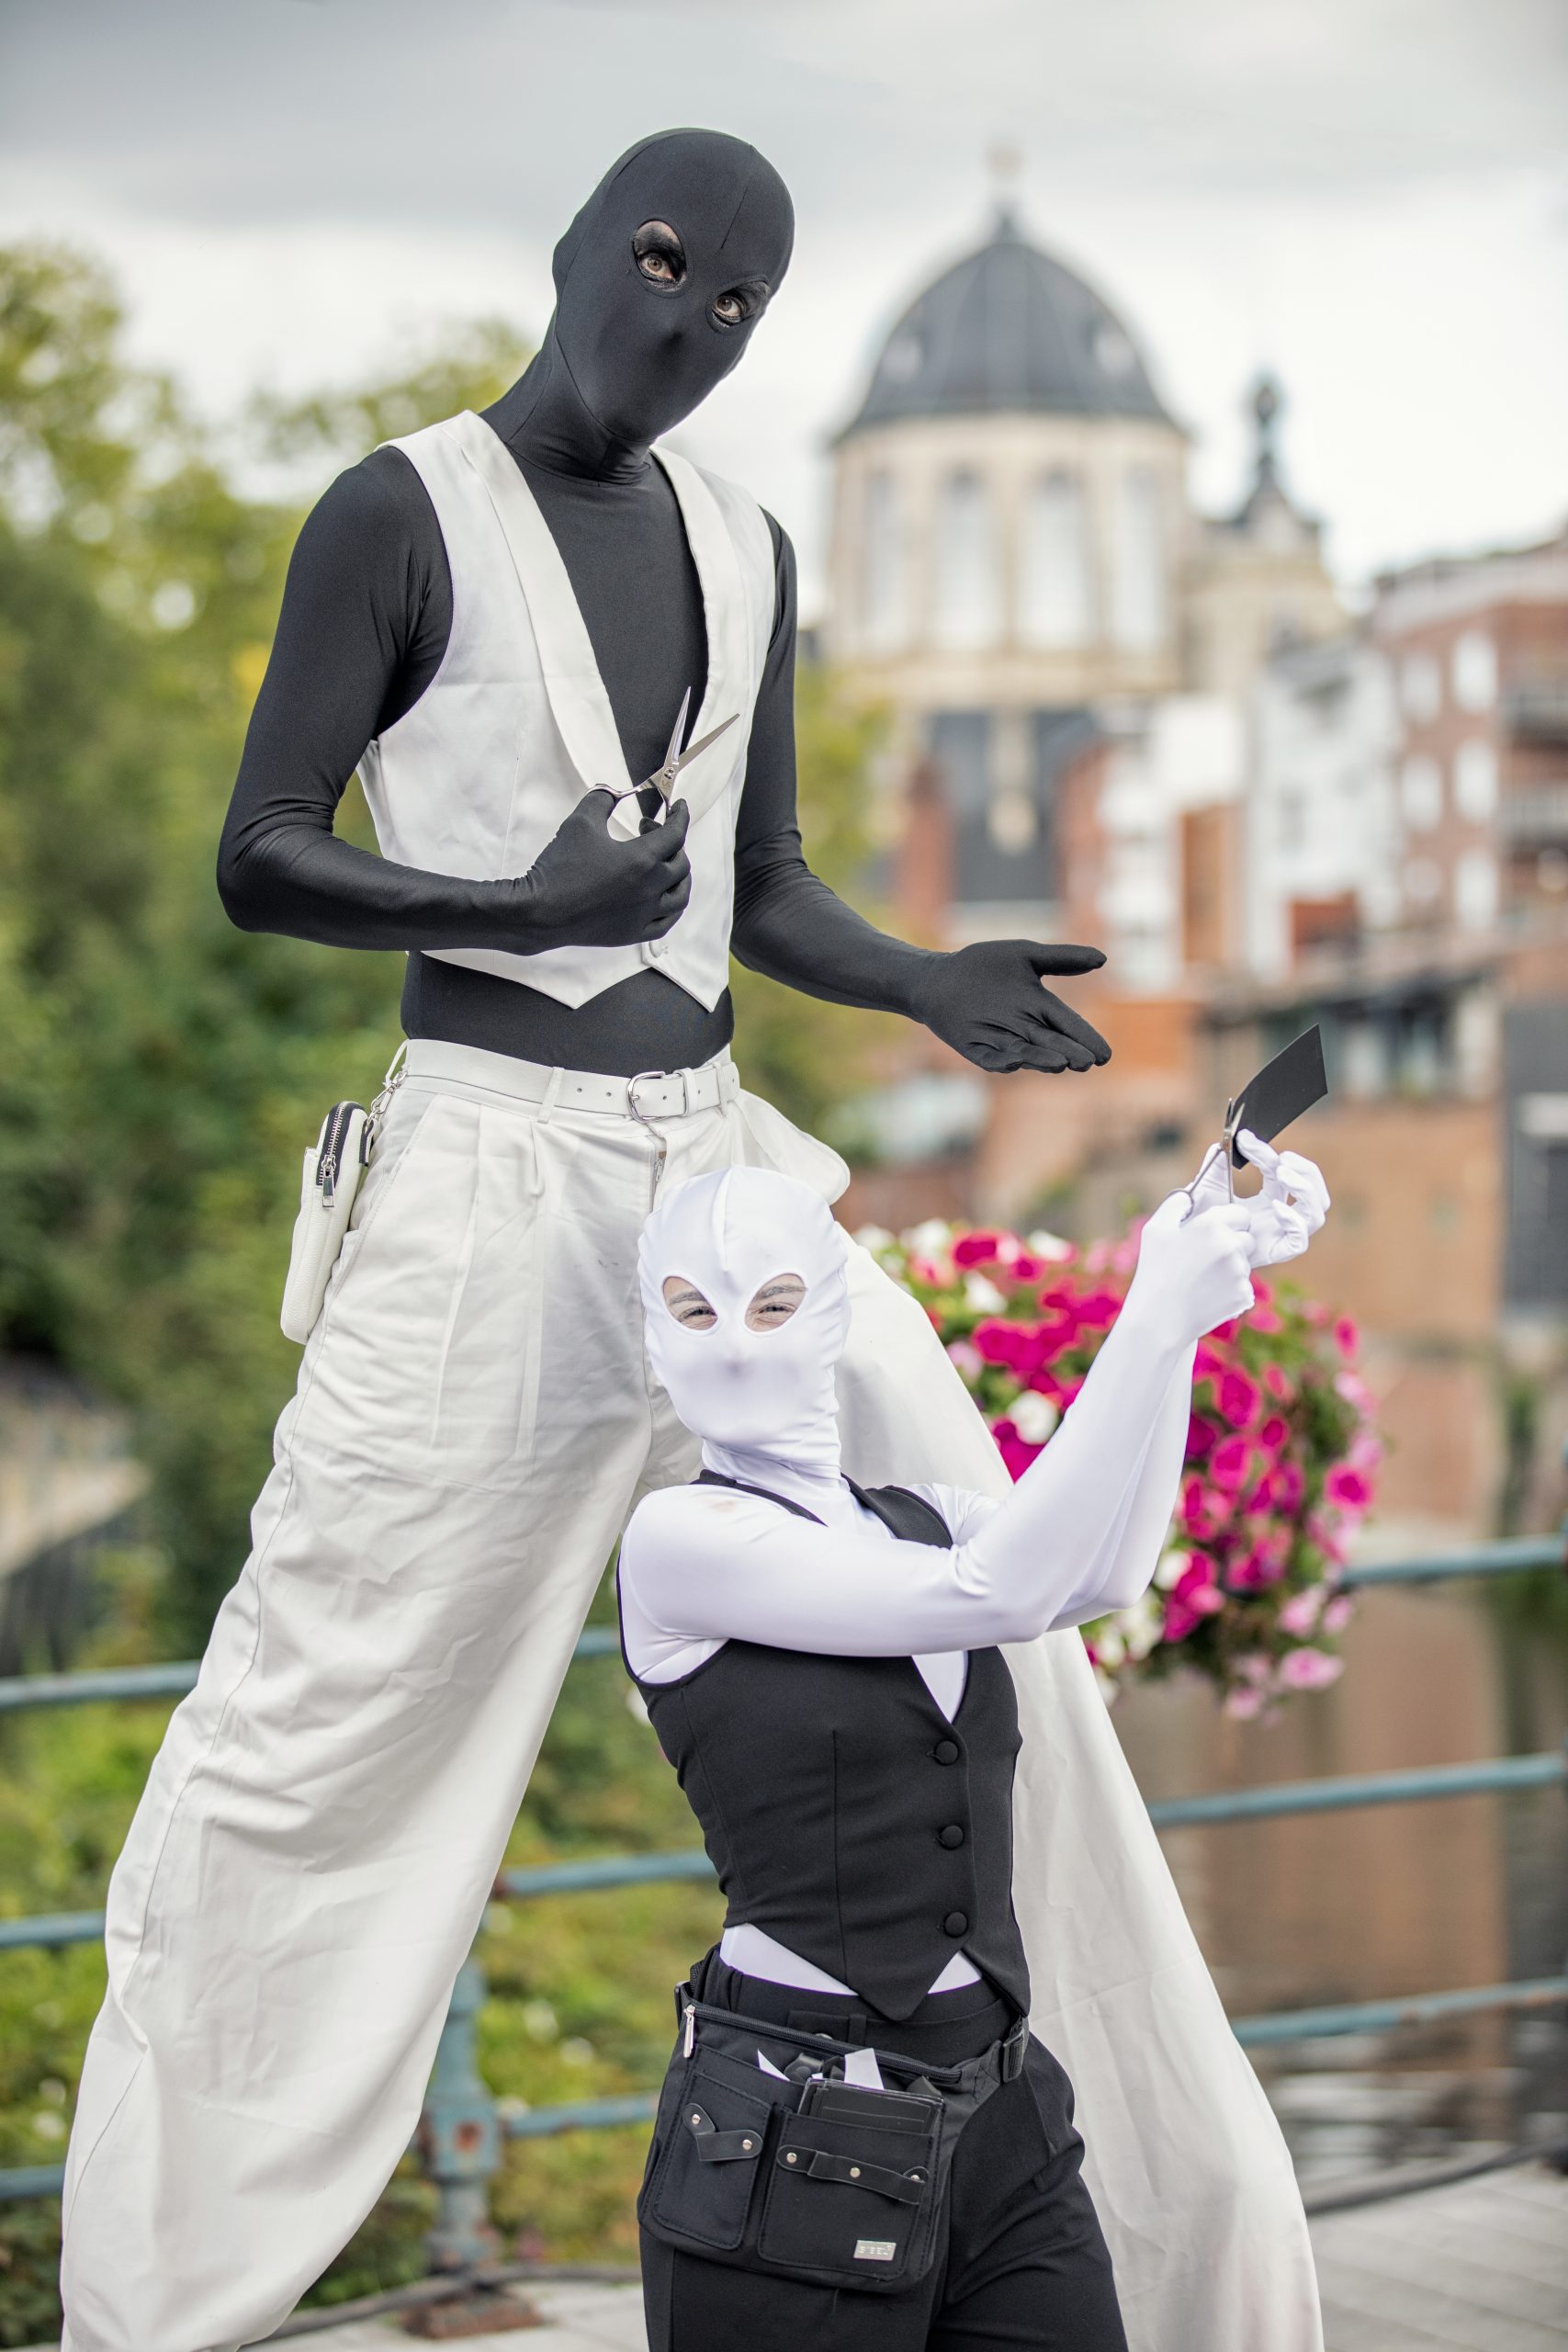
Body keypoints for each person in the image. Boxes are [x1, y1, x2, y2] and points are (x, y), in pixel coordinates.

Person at [59, 129, 1114, 2352]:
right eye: (658, 260)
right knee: (315, 1725)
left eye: (740, 297)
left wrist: (920, 976)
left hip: (724, 1173)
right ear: (566, 248)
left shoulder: (745, 539)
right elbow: (260, 850)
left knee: (1003, 1618)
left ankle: (1077, 2215)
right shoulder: (399, 510)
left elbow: (768, 878)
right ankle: (161, 2294)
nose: (688, 318)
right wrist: (509, 906)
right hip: (482, 1178)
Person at [620, 1153, 1329, 2350]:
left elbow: (1098, 1568)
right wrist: (1149, 1307)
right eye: (694, 1308)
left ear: (834, 1313)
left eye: (775, 1301)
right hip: (795, 2119)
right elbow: (1000, 1590)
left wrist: (1178, 1329)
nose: (735, 1342)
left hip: (1000, 2100)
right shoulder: (681, 1542)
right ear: (655, 1336)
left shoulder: (916, 1518)